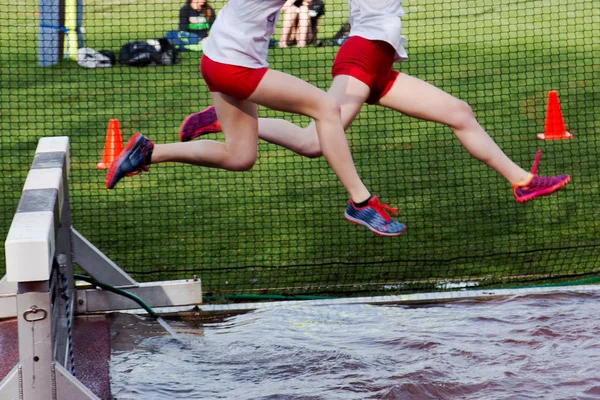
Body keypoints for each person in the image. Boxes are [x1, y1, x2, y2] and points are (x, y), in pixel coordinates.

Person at [179, 0, 570, 207]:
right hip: (361, 58)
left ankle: (522, 181)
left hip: (381, 61)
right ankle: (229, 122)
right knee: (314, 142)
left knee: (459, 112)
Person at [106, 0, 406, 237]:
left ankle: (147, 152)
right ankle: (361, 203)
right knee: (327, 108)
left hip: (217, 59)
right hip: (236, 67)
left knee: (239, 156)